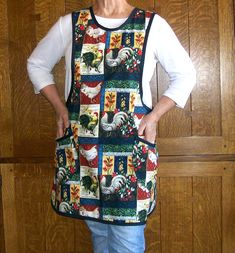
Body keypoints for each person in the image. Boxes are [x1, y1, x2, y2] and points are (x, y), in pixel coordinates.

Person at [27, 0, 196, 252]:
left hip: (130, 150)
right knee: (99, 233)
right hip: (82, 151)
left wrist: (154, 116)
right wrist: (60, 109)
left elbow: (185, 74)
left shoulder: (151, 25)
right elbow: (37, 64)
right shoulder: (70, 25)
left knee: (127, 240)